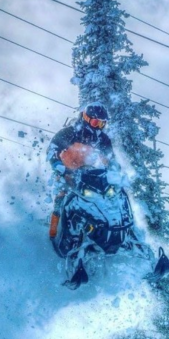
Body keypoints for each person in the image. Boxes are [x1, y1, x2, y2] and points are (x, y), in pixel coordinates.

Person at [46, 102, 117, 239]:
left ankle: (105, 232)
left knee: (105, 197)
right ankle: (53, 233)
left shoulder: (102, 139)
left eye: (102, 124)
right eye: (96, 122)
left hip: (87, 174)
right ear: (85, 117)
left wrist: (114, 171)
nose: (98, 127)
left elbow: (109, 158)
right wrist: (57, 165)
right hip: (66, 172)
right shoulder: (70, 132)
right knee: (61, 196)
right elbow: (52, 149)